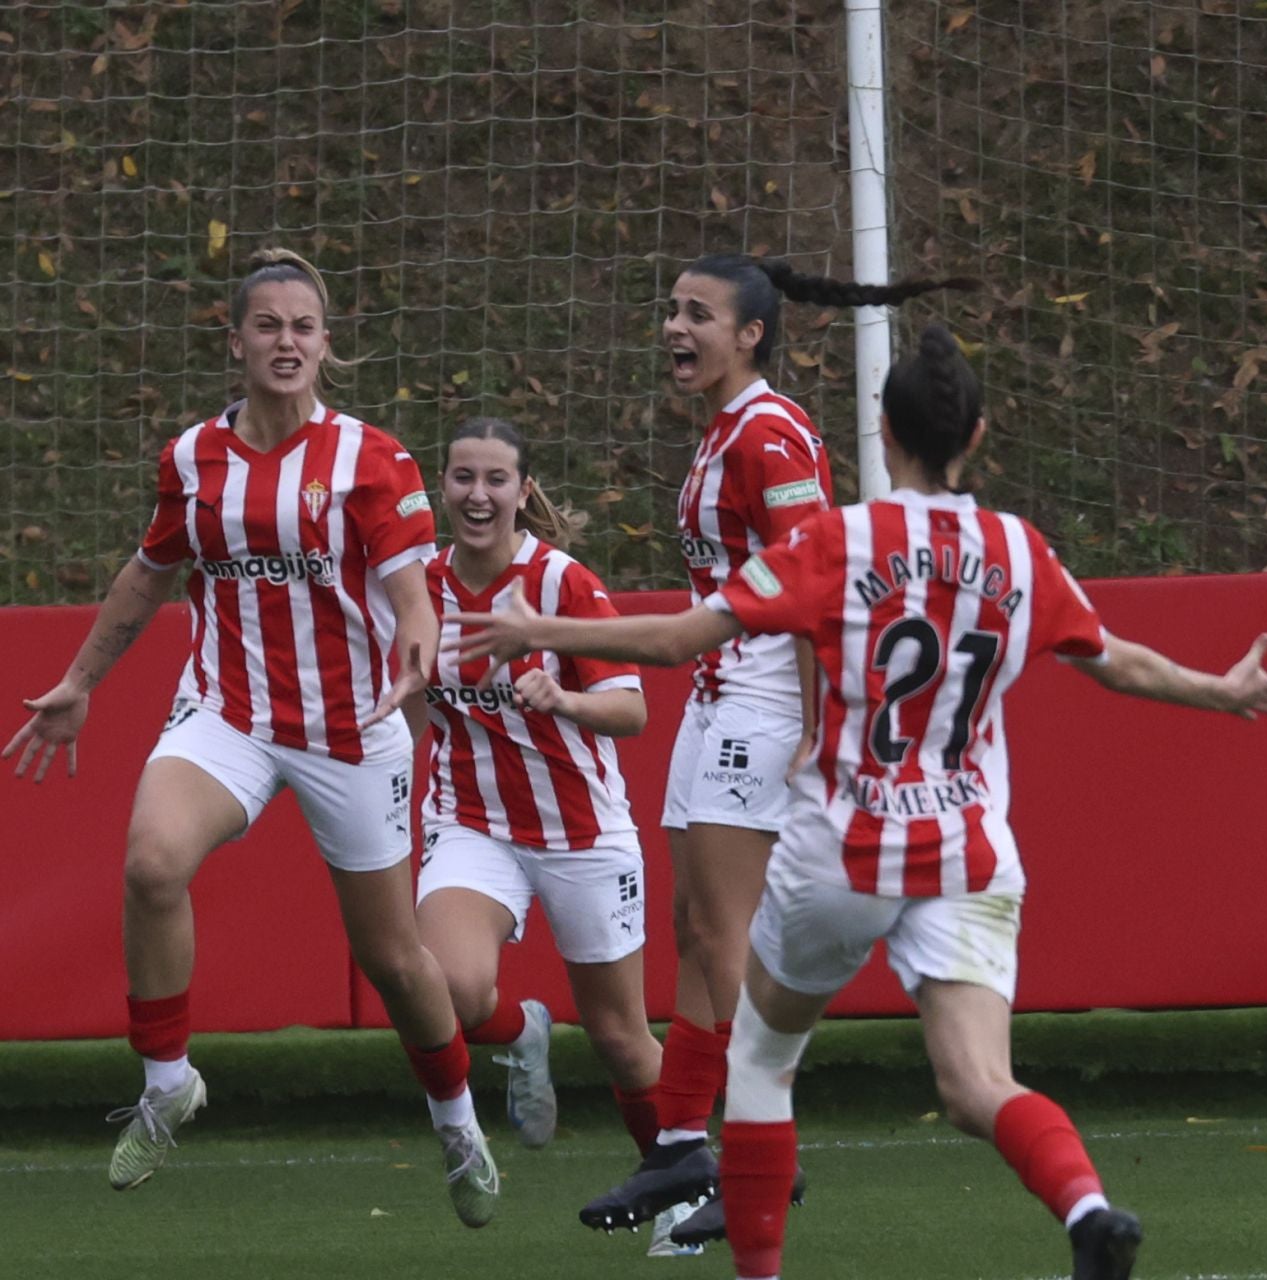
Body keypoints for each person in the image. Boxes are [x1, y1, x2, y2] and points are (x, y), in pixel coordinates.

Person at [446, 324, 1267, 1280]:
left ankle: (754, 1263)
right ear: (976, 437)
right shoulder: (1017, 550)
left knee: (762, 1063)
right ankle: (1086, 1207)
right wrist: (1219, 690)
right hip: (969, 855)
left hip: (845, 850)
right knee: (978, 1083)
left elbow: (682, 638)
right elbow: (1115, 660)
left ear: (880, 437)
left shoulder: (836, 541)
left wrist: (534, 627)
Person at [2, 248, 500, 1228]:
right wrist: (78, 682)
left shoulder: (373, 457)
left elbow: (410, 590)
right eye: (267, 325)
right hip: (228, 713)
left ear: (326, 343)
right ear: (235, 342)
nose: (287, 342)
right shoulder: (193, 459)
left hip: (351, 728)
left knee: (397, 959)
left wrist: (416, 653)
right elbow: (151, 571)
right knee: (150, 862)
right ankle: (168, 1081)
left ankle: (457, 1121)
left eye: (303, 326)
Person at [573, 254, 975, 1241]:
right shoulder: (725, 433)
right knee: (700, 928)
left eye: (698, 313)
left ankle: (738, 1150)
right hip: (718, 699)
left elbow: (815, 587)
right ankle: (685, 1145)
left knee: (731, 934)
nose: (676, 327)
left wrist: (816, 723)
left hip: (762, 701)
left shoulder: (773, 430)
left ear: (752, 332)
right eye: (670, 310)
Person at [414, 418, 684, 1237]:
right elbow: (408, 689)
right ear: (443, 487)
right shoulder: (415, 584)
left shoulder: (561, 581)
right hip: (470, 824)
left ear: (524, 492)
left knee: (621, 1037)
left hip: (581, 833)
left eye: (497, 480)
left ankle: (685, 1189)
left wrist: (563, 698)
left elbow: (632, 709)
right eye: (463, 477)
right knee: (447, 990)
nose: (478, 495)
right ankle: (521, 1030)